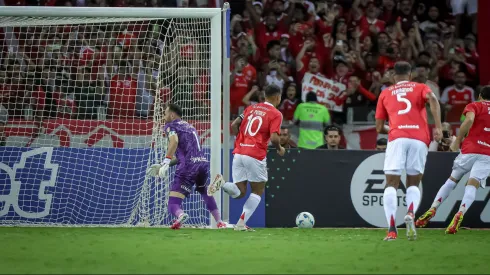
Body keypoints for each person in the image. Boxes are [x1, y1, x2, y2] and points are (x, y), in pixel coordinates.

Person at [375, 61, 442, 241]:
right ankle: (411, 213)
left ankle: (391, 229)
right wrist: (438, 127)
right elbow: (434, 100)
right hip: (419, 139)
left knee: (391, 184)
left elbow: (379, 127)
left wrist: (397, 128)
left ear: (393, 76)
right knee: (413, 182)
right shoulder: (420, 87)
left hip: (397, 138)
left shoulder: (385, 93)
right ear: (410, 75)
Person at [207, 85, 285, 231]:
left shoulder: (251, 108)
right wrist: (280, 149)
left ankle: (222, 183)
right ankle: (241, 224)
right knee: (258, 190)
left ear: (264, 95)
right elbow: (274, 138)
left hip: (239, 152)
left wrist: (241, 141)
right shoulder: (276, 114)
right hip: (255, 154)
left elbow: (234, 124)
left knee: (240, 192)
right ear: (277, 97)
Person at [416, 87, 490, 234]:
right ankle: (460, 213)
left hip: (470, 149)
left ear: (480, 95)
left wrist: (458, 141)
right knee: (472, 185)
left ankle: (433, 208)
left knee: (451, 180)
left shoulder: (475, 105)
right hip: (487, 154)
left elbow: (469, 119)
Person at [146, 104, 225, 229]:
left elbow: (174, 141)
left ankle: (181, 215)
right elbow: (184, 154)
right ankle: (220, 222)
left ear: (172, 115)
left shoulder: (170, 126)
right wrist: (164, 164)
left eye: (165, 114)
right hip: (202, 163)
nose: (164, 116)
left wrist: (166, 161)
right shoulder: (190, 127)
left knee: (172, 203)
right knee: (204, 191)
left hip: (188, 167)